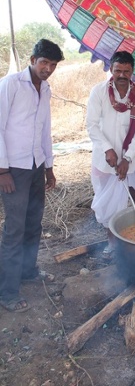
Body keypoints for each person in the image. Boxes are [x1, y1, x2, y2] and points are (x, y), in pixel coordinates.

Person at [0, 38, 64, 313]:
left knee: (34, 222)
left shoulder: (46, 88)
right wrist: (2, 170)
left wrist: (49, 166)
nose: (47, 68)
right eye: (43, 63)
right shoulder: (11, 84)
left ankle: (27, 271)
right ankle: (8, 293)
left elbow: (44, 129)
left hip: (36, 165)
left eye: (52, 65)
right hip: (13, 168)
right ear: (32, 60)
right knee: (14, 229)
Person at [86, 51, 135, 228]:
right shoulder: (99, 91)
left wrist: (128, 157)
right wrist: (107, 149)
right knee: (108, 206)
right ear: (111, 69)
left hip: (131, 156)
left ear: (132, 72)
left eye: (126, 71)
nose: (122, 76)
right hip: (104, 159)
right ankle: (112, 243)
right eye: (118, 71)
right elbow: (91, 125)